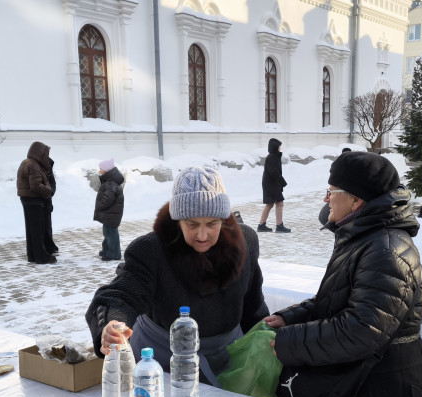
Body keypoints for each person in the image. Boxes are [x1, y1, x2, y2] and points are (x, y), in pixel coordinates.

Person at [266, 151, 422, 397]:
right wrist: (290, 317)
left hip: (391, 396)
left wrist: (289, 342)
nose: (325, 199)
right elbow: (337, 298)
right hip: (372, 382)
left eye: (331, 192)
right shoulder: (362, 236)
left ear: (357, 201)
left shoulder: (385, 249)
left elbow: (362, 330)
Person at [86, 166, 269, 384]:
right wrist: (112, 324)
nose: (202, 235)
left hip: (231, 354)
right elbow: (119, 295)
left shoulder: (244, 241)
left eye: (212, 223)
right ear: (177, 220)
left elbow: (252, 301)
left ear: (223, 219)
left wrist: (264, 335)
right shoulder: (152, 249)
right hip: (163, 359)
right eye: (192, 224)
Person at [16, 141, 56, 264]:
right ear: (39, 153)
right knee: (37, 230)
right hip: (34, 200)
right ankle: (40, 256)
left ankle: (32, 255)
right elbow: (36, 185)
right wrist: (48, 190)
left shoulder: (26, 162)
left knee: (31, 230)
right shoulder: (34, 165)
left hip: (27, 199)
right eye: (45, 153)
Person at [94, 158, 125, 261]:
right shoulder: (110, 181)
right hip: (110, 213)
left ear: (106, 170)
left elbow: (108, 199)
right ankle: (106, 250)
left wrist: (99, 205)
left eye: (101, 168)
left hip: (110, 213)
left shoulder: (110, 183)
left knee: (111, 234)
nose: (99, 170)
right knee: (108, 233)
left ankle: (114, 254)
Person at [259, 138, 291, 233]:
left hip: (270, 183)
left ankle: (262, 225)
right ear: (275, 147)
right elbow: (273, 172)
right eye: (279, 146)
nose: (280, 148)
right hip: (271, 184)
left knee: (270, 204)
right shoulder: (272, 157)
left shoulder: (273, 156)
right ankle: (279, 226)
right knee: (279, 203)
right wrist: (282, 182)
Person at [319, 147, 353, 226]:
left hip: (344, 195)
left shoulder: (343, 165)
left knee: (324, 217)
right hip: (340, 193)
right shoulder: (340, 165)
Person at [43, 157, 59, 256]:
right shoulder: (38, 171)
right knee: (42, 226)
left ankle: (50, 246)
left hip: (47, 202)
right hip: (40, 202)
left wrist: (50, 192)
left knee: (48, 226)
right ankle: (46, 246)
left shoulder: (49, 173)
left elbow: (53, 183)